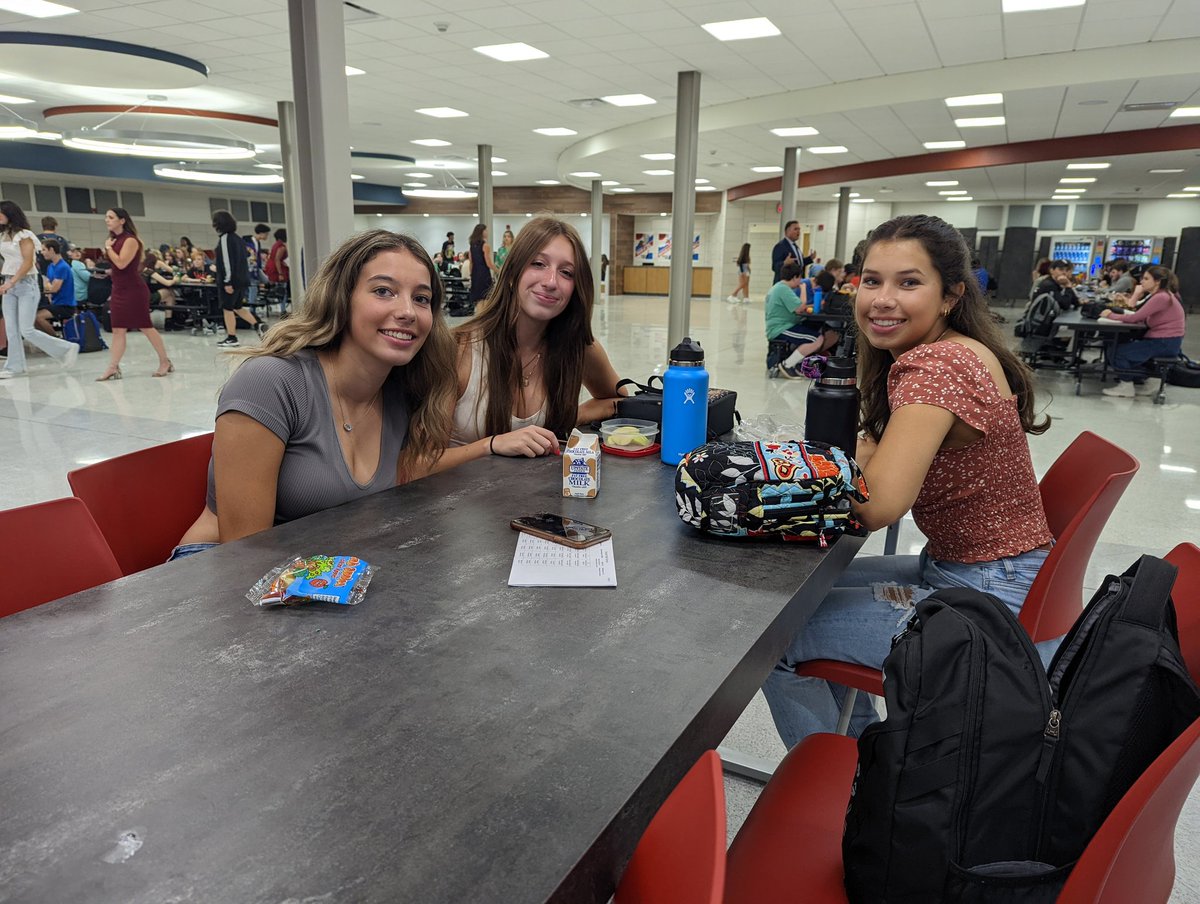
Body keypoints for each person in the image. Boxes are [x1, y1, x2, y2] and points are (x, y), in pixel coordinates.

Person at [762, 214, 1053, 748]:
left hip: (986, 595)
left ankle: (841, 788)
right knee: (800, 594)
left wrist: (771, 483)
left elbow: (876, 507)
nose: (883, 299)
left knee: (772, 636)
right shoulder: (954, 349)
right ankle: (863, 753)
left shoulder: (936, 368)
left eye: (909, 282)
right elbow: (872, 447)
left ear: (950, 296)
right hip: (985, 567)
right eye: (872, 281)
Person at [173, 230, 458, 559]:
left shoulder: (404, 389)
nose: (407, 310)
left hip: (322, 562)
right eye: (384, 291)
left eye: (421, 298)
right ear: (342, 298)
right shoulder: (271, 382)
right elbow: (246, 554)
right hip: (219, 568)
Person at [432, 216, 625, 470]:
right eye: (538, 263)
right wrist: (491, 445)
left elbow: (620, 401)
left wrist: (572, 414)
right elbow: (415, 464)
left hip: (536, 504)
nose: (551, 282)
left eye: (566, 272)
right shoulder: (458, 350)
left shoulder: (578, 349)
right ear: (512, 272)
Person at [0, 201, 79, 379]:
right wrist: (7, 281)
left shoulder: (24, 235)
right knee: (11, 329)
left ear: (9, 213)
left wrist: (11, 282)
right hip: (9, 284)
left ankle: (66, 348)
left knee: (26, 329)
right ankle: (14, 366)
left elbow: (28, 263)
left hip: (26, 284)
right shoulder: (3, 235)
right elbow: (10, 261)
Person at [94, 208, 172, 381]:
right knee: (117, 330)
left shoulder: (130, 240)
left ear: (122, 220)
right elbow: (118, 267)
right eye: (106, 217)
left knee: (146, 326)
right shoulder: (114, 240)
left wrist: (108, 248)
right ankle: (112, 367)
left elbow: (122, 263)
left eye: (111, 217)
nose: (107, 220)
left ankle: (164, 361)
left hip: (134, 290)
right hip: (119, 289)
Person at [1099, 265, 1186, 398]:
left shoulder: (1160, 297)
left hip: (1163, 342)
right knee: (1122, 349)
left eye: (1146, 279)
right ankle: (1144, 379)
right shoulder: (1163, 295)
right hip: (1168, 341)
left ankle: (1126, 385)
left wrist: (1109, 315)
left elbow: (1135, 318)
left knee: (1116, 352)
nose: (1141, 282)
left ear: (1157, 281)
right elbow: (1142, 316)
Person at [765, 262, 839, 379]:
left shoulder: (779, 287)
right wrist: (803, 288)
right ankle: (787, 365)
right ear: (794, 277)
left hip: (783, 325)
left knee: (815, 332)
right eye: (799, 278)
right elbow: (800, 308)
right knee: (816, 339)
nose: (800, 281)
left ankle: (797, 363)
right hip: (781, 328)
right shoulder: (783, 289)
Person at [211, 209, 266, 347]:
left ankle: (231, 337)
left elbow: (227, 262)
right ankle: (259, 325)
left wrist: (227, 281)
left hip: (231, 281)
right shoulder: (238, 239)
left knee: (227, 308)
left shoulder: (225, 239)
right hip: (242, 279)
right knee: (238, 307)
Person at [34, 238, 77, 336]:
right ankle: (48, 339)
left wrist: (48, 285)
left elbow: (54, 289)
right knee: (32, 317)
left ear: (52, 250)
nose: (42, 252)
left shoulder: (62, 267)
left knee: (38, 317)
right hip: (55, 303)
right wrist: (48, 285)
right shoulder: (51, 266)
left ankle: (55, 340)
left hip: (65, 305)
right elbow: (48, 286)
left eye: (44, 250)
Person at [143, 250, 180, 328]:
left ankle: (169, 321)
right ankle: (168, 322)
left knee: (168, 294)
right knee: (170, 293)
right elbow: (168, 282)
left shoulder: (139, 269)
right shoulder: (150, 271)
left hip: (133, 296)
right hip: (146, 297)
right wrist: (175, 279)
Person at [467, 223, 499, 307]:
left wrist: (471, 275)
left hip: (475, 274)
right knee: (486, 298)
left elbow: (471, 262)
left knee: (478, 300)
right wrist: (498, 271)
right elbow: (488, 263)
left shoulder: (472, 245)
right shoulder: (485, 245)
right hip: (484, 274)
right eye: (486, 230)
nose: (487, 232)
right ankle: (484, 317)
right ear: (482, 232)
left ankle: (478, 316)